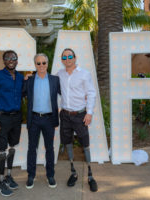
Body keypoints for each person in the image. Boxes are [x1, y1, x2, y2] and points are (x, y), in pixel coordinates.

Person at [57, 48, 98, 192]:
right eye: (64, 57)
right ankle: (73, 173)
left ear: (75, 57)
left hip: (80, 115)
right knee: (67, 143)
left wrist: (89, 113)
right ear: (62, 60)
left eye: (70, 56)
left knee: (85, 144)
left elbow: (91, 93)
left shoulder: (84, 74)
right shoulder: (59, 74)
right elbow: (52, 88)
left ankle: (91, 176)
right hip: (65, 116)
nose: (67, 59)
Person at [0, 50, 24, 197]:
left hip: (16, 118)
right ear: (4, 61)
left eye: (13, 57)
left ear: (17, 60)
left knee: (12, 148)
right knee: (2, 152)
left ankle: (8, 176)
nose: (11, 60)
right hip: (1, 118)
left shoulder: (20, 77)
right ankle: (0, 182)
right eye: (7, 58)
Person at [24, 53, 60, 189]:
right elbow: (20, 93)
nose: (41, 66)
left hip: (49, 119)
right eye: (38, 63)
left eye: (43, 63)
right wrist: (24, 79)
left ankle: (50, 175)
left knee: (49, 149)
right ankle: (30, 176)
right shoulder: (30, 80)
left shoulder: (55, 80)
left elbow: (66, 94)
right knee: (31, 148)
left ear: (47, 64)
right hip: (34, 119)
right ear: (35, 65)